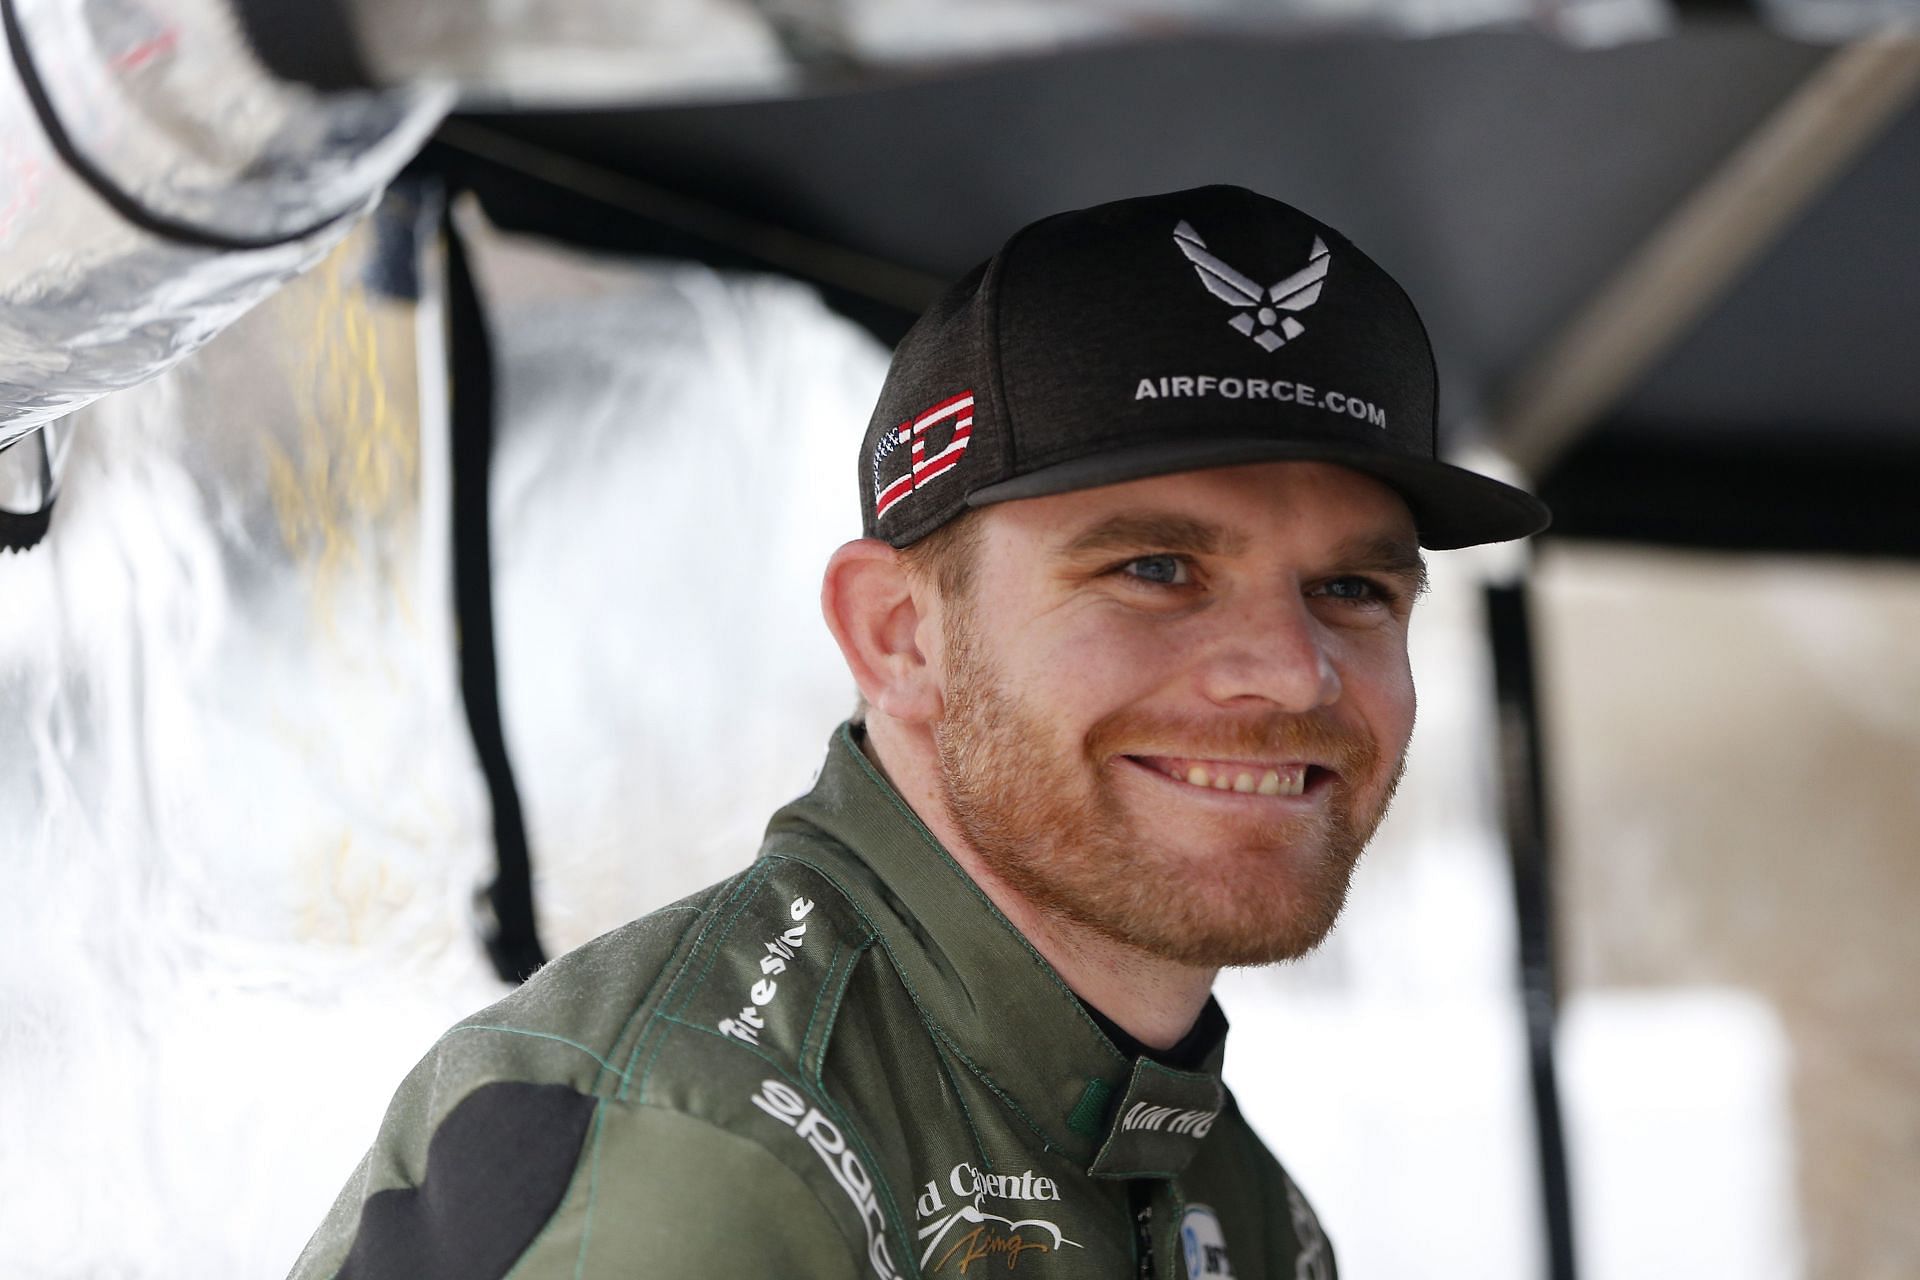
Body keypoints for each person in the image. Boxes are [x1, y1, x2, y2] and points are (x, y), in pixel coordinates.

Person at [290, 184, 1549, 1280]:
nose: (1289, 668)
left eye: (1355, 589)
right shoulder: (712, 1151)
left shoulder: (1230, 1193)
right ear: (897, 634)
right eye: (1157, 567)